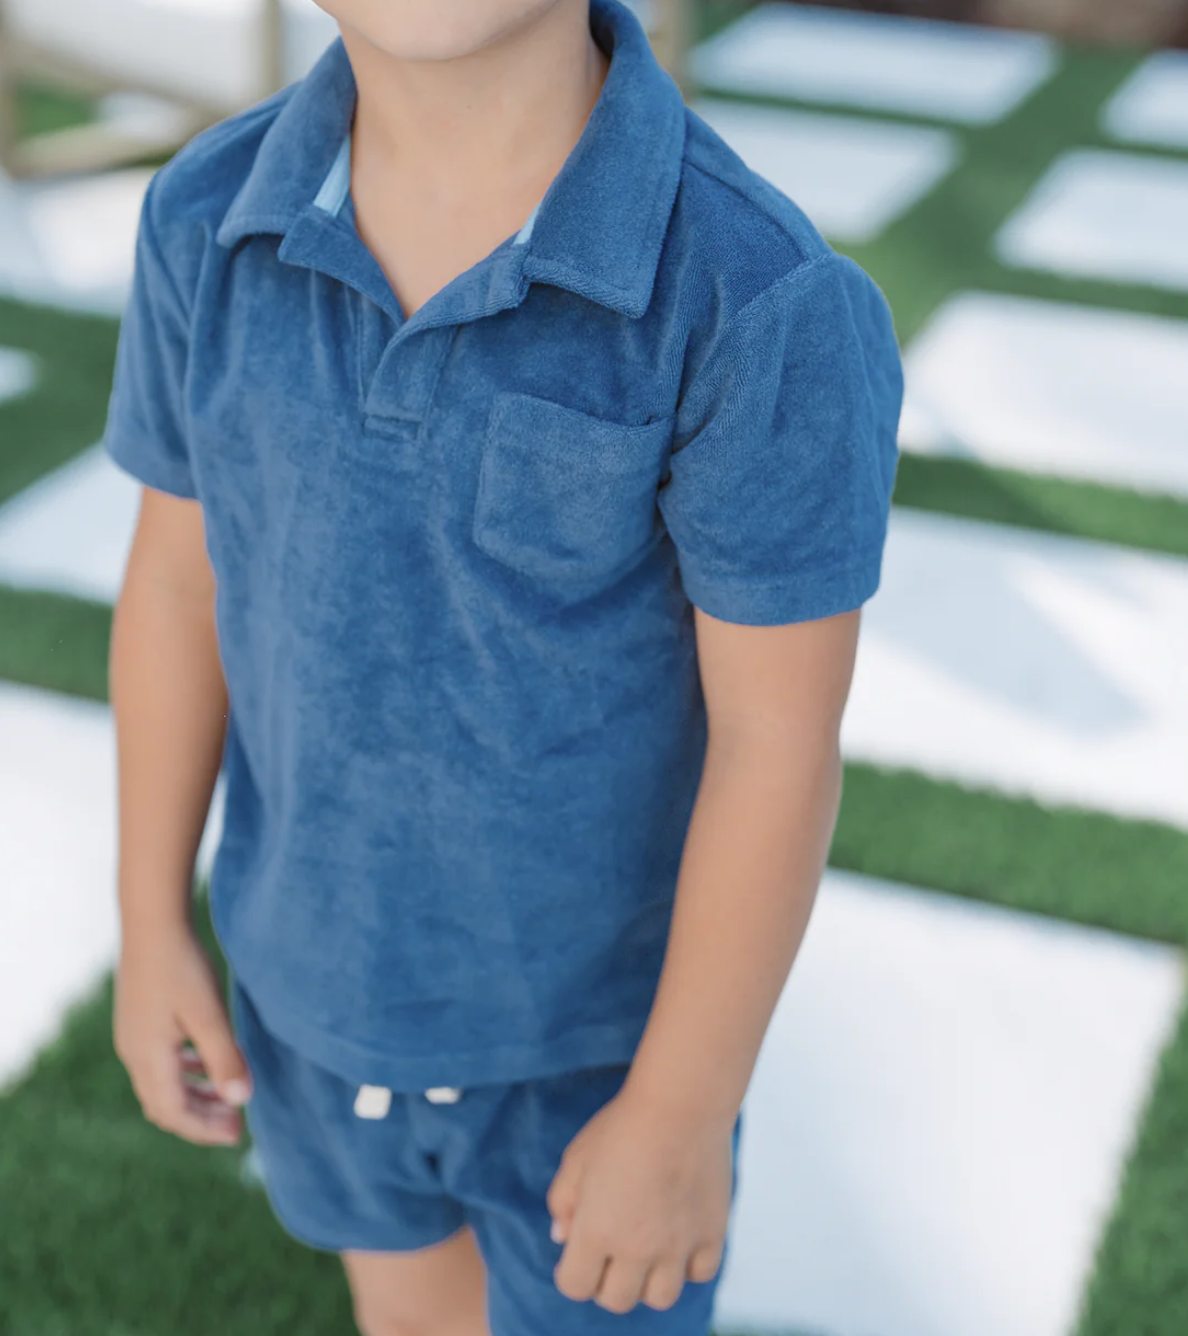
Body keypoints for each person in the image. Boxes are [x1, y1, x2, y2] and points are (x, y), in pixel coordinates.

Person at [103, 0, 903, 1332]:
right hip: (310, 996)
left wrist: (682, 1105)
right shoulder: (203, 214)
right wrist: (149, 917)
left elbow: (775, 744)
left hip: (601, 1055)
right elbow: (179, 585)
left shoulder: (757, 296)